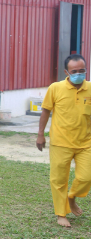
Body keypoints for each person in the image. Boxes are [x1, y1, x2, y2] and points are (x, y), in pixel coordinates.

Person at [37, 54, 91, 228]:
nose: (78, 74)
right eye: (74, 71)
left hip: (86, 143)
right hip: (60, 142)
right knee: (59, 179)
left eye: (82, 70)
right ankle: (61, 213)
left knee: (86, 177)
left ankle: (72, 197)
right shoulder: (55, 88)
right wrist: (40, 134)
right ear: (66, 72)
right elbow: (45, 110)